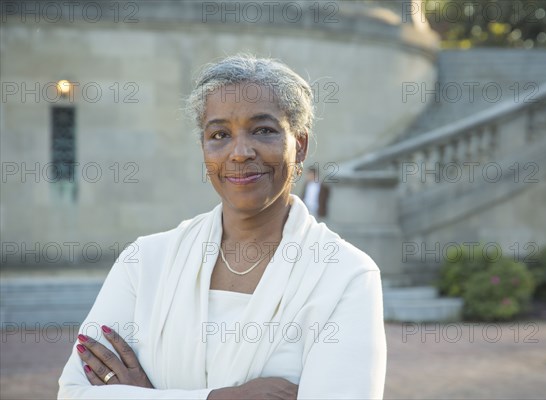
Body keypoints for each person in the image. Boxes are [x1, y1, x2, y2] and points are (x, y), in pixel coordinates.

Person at [58, 54, 386, 399]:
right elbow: (75, 393)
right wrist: (221, 397)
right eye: (219, 134)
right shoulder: (145, 262)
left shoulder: (345, 275)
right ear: (204, 148)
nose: (240, 152)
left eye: (263, 130)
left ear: (299, 145)